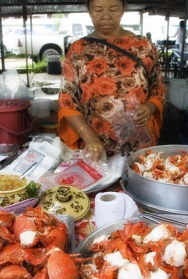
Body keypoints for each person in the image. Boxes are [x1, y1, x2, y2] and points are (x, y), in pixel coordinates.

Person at [57, 0, 166, 163]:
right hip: (94, 145)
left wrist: (150, 107)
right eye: (98, 10)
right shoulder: (78, 49)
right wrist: (90, 138)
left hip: (138, 143)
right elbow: (67, 100)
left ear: (123, 10)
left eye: (113, 9)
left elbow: (158, 86)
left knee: (138, 181)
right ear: (89, 11)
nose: (106, 16)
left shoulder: (144, 46)